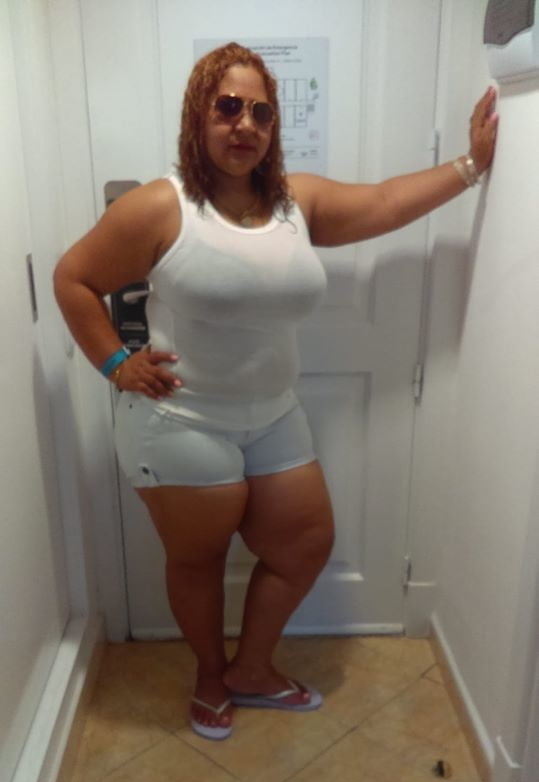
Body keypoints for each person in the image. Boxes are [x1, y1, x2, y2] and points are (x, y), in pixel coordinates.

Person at [54, 42, 498, 742]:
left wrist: (472, 164)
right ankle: (209, 675)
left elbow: (384, 202)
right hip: (180, 421)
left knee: (305, 544)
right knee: (197, 562)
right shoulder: (160, 207)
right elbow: (73, 278)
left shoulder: (296, 202)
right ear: (198, 116)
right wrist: (115, 363)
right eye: (228, 107)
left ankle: (252, 669)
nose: (246, 125)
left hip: (273, 416)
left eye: (261, 112)